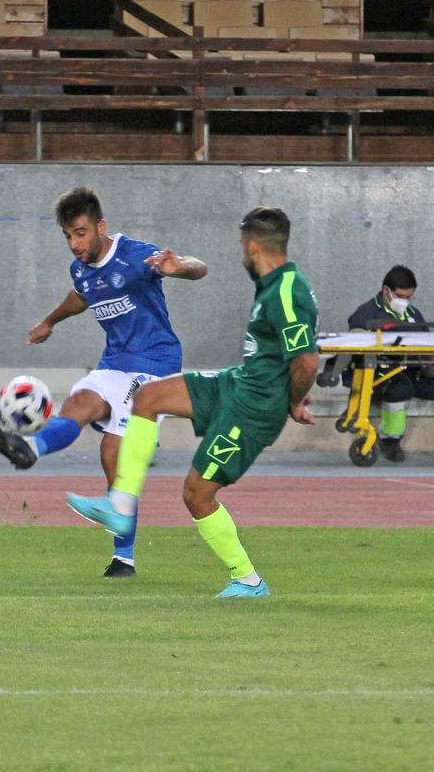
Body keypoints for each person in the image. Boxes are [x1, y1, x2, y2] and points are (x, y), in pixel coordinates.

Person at [65, 207, 319, 599]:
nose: (241, 255)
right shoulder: (273, 284)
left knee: (197, 494)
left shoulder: (288, 290)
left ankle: (248, 580)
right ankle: (119, 504)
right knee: (147, 397)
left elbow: (306, 360)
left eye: (241, 247)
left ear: (252, 246)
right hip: (240, 382)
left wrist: (293, 402)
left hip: (255, 406)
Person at [0, 186, 207, 579]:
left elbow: (198, 266)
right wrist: (50, 321)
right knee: (77, 404)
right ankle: (29, 448)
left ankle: (125, 558)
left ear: (100, 226)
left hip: (155, 365)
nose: (74, 243)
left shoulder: (134, 255)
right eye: (68, 236)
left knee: (111, 451)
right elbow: (81, 296)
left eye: (81, 233)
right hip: (115, 361)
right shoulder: (81, 268)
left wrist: (180, 267)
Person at [347, 265, 434, 464]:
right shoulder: (365, 315)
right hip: (381, 374)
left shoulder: (414, 315)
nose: (404, 302)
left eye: (408, 297)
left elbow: (428, 343)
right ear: (385, 291)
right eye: (400, 296)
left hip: (415, 371)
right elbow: (355, 348)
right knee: (400, 388)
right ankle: (389, 440)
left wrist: (432, 361)